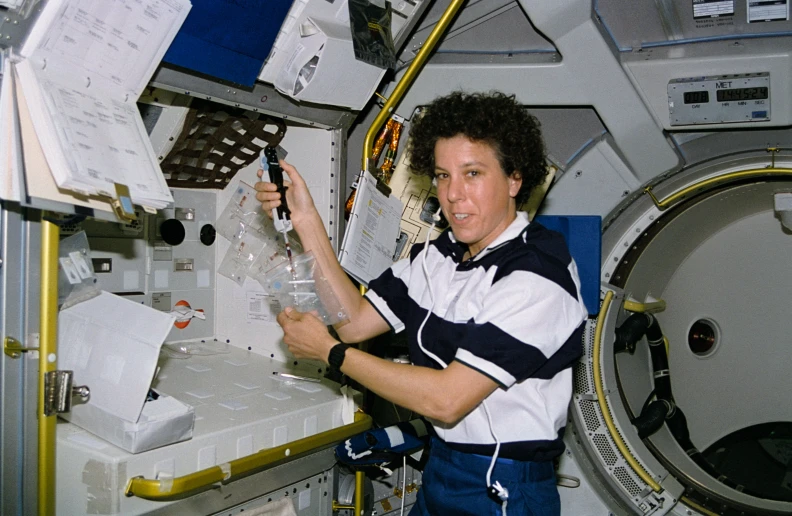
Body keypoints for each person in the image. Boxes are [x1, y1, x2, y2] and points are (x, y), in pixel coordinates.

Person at [255, 91, 587, 516]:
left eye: (472, 173)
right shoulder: (440, 254)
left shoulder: (537, 272)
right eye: (443, 176)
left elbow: (447, 399)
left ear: (514, 179)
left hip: (503, 484)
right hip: (443, 466)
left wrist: (330, 353)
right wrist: (306, 220)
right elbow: (354, 322)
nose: (453, 194)